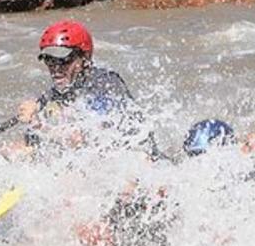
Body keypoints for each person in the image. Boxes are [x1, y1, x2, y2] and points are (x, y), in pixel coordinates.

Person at [11, 20, 160, 157]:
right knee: (17, 151)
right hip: (99, 161)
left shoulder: (105, 85)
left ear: (84, 58)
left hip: (139, 161)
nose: (56, 68)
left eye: (63, 60)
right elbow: (33, 142)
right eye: (49, 60)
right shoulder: (57, 93)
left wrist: (39, 125)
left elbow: (84, 138)